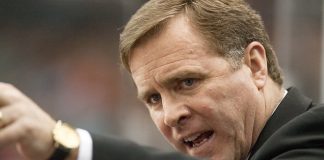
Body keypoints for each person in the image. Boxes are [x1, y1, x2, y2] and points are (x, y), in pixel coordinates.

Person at [0, 0, 324, 160]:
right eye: (153, 99)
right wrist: (61, 142)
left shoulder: (313, 138)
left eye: (187, 82)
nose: (170, 115)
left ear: (254, 65)